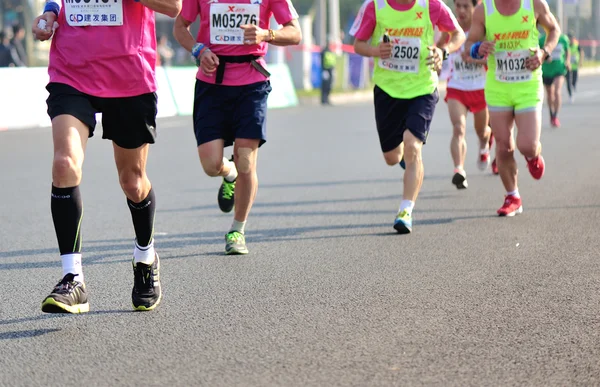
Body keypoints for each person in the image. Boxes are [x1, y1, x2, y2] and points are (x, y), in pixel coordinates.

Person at [32, 0, 181, 313]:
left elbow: (174, 6)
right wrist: (50, 14)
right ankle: (73, 278)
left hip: (129, 75)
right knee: (64, 165)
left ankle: (145, 256)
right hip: (71, 71)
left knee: (133, 181)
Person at [173, 0, 302, 254]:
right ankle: (228, 173)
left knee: (246, 160)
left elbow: (295, 32)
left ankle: (237, 230)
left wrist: (267, 34)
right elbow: (180, 26)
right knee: (211, 165)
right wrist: (198, 49)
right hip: (211, 83)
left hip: (251, 83)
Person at [351, 0, 465, 233]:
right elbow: (358, 45)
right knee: (392, 157)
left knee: (413, 146)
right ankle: (408, 160)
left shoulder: (431, 5)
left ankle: (405, 211)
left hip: (422, 87)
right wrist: (375, 51)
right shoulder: (375, 6)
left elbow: (458, 34)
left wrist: (443, 51)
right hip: (387, 89)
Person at [466, 0, 560, 216]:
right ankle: (513, 196)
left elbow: (554, 29)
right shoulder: (484, 10)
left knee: (526, 144)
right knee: (504, 146)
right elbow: (468, 44)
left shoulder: (534, 4)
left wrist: (543, 52)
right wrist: (477, 48)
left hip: (527, 85)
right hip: (498, 87)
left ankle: (532, 155)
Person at [438, 0, 492, 190]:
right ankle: (459, 169)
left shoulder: (483, 30)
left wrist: (473, 59)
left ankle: (485, 145)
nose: (460, 10)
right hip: (456, 87)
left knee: (481, 131)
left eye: (465, 6)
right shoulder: (450, 29)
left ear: (475, 7)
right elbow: (438, 50)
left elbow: (493, 58)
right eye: (457, 5)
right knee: (458, 128)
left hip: (480, 87)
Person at [540, 27, 569, 127]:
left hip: (559, 68)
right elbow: (538, 53)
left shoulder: (563, 39)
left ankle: (556, 116)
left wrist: (567, 61)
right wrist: (545, 57)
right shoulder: (541, 40)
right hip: (547, 70)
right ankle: (551, 114)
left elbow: (567, 51)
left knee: (557, 91)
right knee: (550, 94)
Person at [566, 31, 583, 103]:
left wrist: (580, 62)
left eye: (571, 38)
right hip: (568, 67)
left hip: (575, 66)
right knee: (568, 82)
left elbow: (581, 52)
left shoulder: (576, 45)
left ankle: (574, 87)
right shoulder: (566, 45)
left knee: (574, 81)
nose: (570, 40)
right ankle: (570, 95)